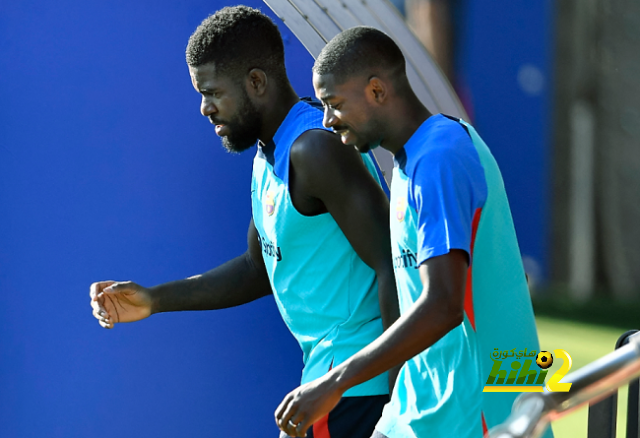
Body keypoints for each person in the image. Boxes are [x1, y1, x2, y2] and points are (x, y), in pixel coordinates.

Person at [89, 9, 400, 438]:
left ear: (256, 82)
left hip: (361, 391)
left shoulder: (315, 150)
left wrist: (400, 399)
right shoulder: (267, 153)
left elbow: (394, 265)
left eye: (212, 92)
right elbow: (259, 268)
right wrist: (154, 299)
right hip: (330, 385)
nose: (203, 108)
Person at [275, 26, 549, 438]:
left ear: (377, 91)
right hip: (419, 413)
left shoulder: (441, 157)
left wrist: (334, 382)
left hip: (478, 417)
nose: (328, 120)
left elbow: (443, 305)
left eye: (334, 104)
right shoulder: (410, 163)